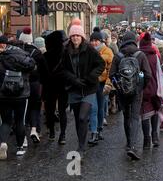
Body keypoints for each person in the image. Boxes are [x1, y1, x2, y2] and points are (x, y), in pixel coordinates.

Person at [62, 24, 105, 160]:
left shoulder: (90, 49)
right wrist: (73, 79)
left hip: (88, 89)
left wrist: (90, 77)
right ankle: (81, 144)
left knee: (82, 117)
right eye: (73, 35)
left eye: (77, 35)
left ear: (81, 37)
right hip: (74, 88)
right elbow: (62, 69)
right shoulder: (65, 51)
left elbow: (101, 64)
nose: (75, 38)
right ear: (70, 37)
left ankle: (81, 147)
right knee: (77, 119)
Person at [110, 31, 151, 160]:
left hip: (122, 92)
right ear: (134, 40)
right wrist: (140, 87)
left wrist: (119, 88)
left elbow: (112, 75)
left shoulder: (118, 55)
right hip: (136, 92)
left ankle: (128, 143)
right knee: (134, 118)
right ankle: (133, 146)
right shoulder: (140, 55)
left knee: (126, 116)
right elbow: (148, 74)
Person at [0, 35, 36, 159]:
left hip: (4, 94)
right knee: (20, 121)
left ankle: (3, 143)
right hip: (21, 94)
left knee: (6, 121)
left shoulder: (2, 57)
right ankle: (20, 148)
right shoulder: (24, 56)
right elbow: (33, 69)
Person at [15, 28, 49, 144]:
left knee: (22, 110)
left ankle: (23, 137)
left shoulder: (17, 51)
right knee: (35, 107)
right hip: (35, 85)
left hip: (20, 84)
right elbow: (45, 71)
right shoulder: (37, 52)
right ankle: (34, 130)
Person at [88, 31, 113, 145]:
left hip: (102, 84)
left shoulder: (107, 51)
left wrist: (108, 84)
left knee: (101, 107)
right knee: (93, 108)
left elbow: (110, 70)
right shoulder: (88, 51)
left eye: (96, 40)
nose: (94, 43)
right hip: (92, 84)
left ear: (101, 41)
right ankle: (93, 132)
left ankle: (99, 129)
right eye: (92, 40)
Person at [43, 31, 68, 144]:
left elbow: (41, 74)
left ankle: (52, 132)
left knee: (50, 111)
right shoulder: (66, 54)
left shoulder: (46, 56)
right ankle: (62, 135)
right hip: (63, 86)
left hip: (49, 86)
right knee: (62, 111)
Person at [139, 32, 160, 150]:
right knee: (155, 111)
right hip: (155, 87)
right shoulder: (155, 56)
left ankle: (146, 140)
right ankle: (155, 136)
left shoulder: (139, 55)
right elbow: (159, 72)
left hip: (143, 88)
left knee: (145, 114)